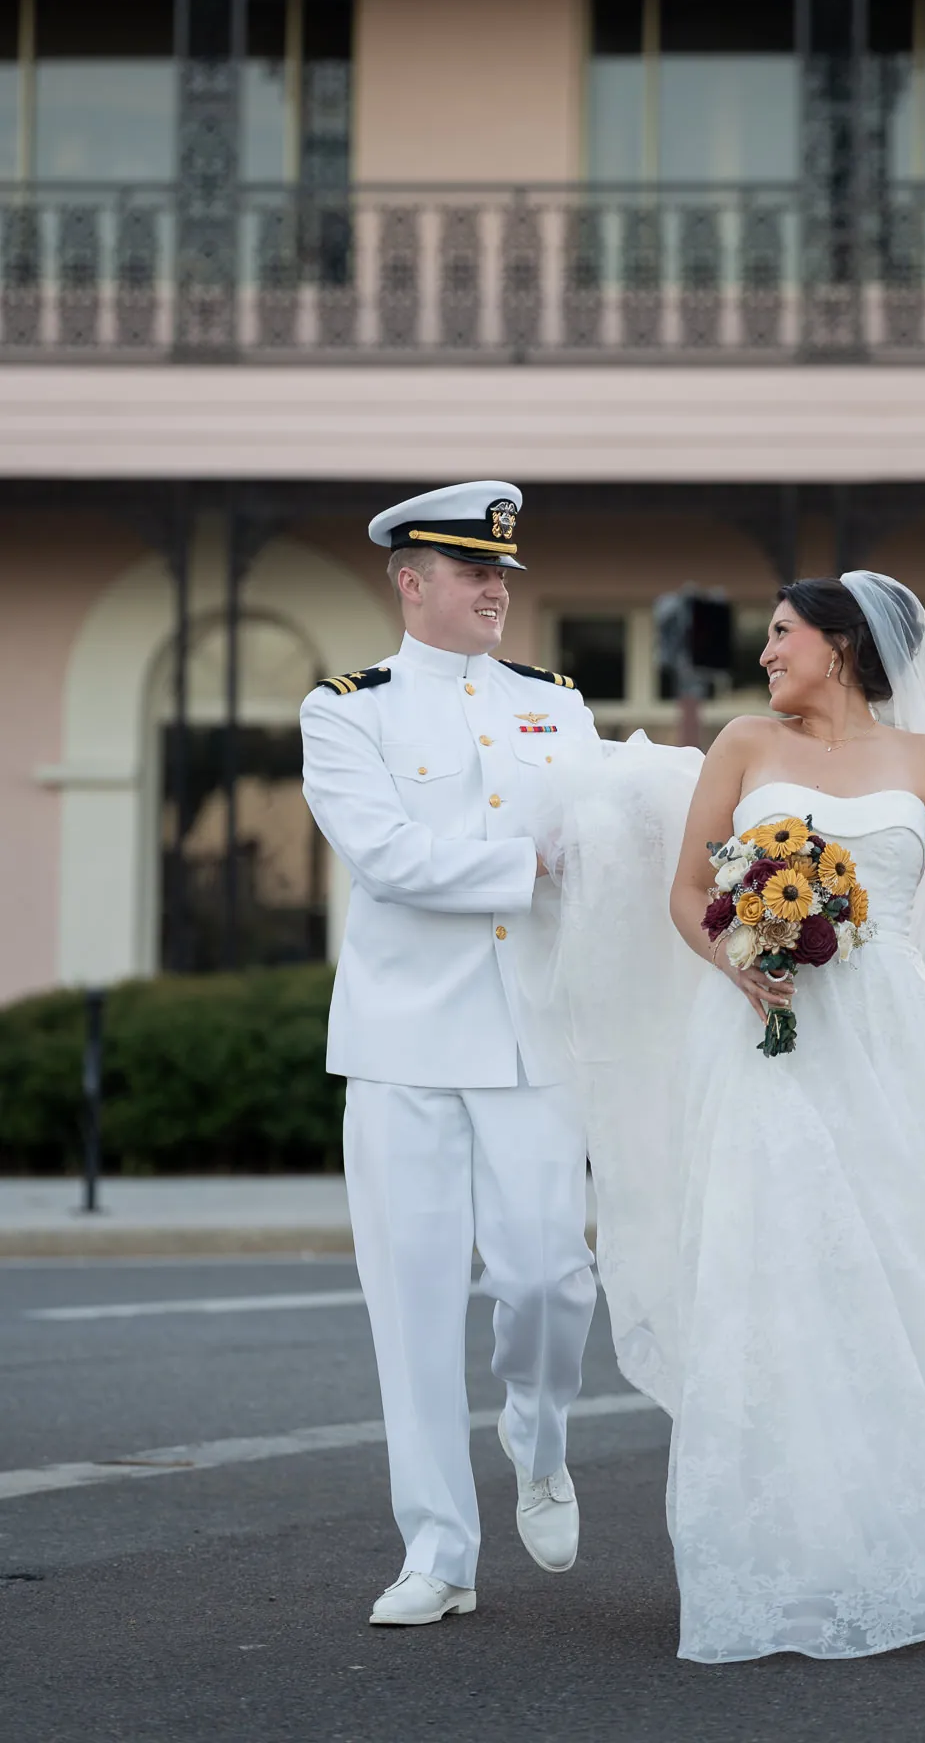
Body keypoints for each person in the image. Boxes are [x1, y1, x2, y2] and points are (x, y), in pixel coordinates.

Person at [542, 572, 925, 1664]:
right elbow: (681, 893)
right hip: (767, 1041)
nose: (765, 654)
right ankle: (793, 1555)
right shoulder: (744, 747)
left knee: (910, 1276)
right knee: (777, 1279)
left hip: (887, 1047)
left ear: (842, 645)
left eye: (781, 635)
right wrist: (737, 955)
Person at [299, 480, 599, 1629]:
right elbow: (385, 859)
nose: (494, 589)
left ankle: (539, 1424)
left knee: (549, 1276)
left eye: (503, 573)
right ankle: (439, 1546)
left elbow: (601, 832)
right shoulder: (347, 710)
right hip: (403, 1042)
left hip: (535, 1029)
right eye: (472, 571)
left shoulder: (555, 702)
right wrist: (531, 860)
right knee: (412, 1302)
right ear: (410, 581)